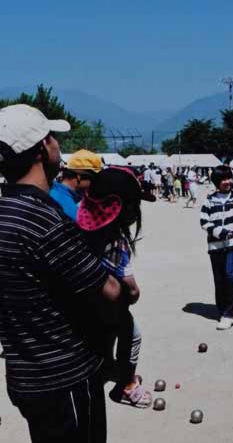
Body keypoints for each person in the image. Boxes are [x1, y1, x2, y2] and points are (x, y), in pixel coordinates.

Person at [0, 104, 123, 443]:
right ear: (42, 149)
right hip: (63, 373)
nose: (58, 147)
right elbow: (108, 291)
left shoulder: (5, 209)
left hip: (24, 373)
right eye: (53, 138)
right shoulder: (44, 218)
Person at [77, 167, 155, 408]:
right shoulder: (116, 242)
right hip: (110, 304)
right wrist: (132, 295)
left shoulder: (80, 222)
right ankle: (126, 386)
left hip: (85, 303)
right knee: (132, 336)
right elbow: (131, 289)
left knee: (105, 339)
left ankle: (109, 370)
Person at [201, 166, 233, 330]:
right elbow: (204, 221)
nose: (227, 182)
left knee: (231, 276)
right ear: (216, 182)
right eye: (223, 179)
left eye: (228, 178)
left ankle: (228, 314)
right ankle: (223, 309)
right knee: (220, 279)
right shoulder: (209, 200)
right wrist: (220, 233)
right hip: (215, 245)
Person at [49, 149, 102, 220]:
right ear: (79, 177)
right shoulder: (72, 211)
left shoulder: (50, 190)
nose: (96, 183)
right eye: (95, 179)